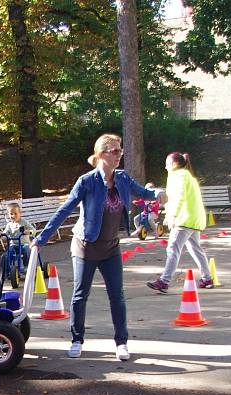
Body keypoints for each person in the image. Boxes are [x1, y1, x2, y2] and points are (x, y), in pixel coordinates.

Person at [31, 133, 164, 361]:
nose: (119, 154)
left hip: (111, 247)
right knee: (80, 295)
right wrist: (41, 239)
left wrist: (158, 193)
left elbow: (144, 193)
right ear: (101, 154)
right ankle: (77, 340)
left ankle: (121, 343)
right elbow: (65, 209)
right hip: (85, 245)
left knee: (117, 296)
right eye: (115, 151)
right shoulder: (87, 181)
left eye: (120, 150)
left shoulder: (122, 178)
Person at [146, 152, 213, 293]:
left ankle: (164, 281)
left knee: (173, 249)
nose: (165, 167)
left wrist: (172, 216)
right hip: (194, 219)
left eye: (167, 164)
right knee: (196, 249)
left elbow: (179, 198)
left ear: (174, 164)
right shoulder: (187, 175)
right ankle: (207, 278)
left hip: (184, 219)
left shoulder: (180, 176)